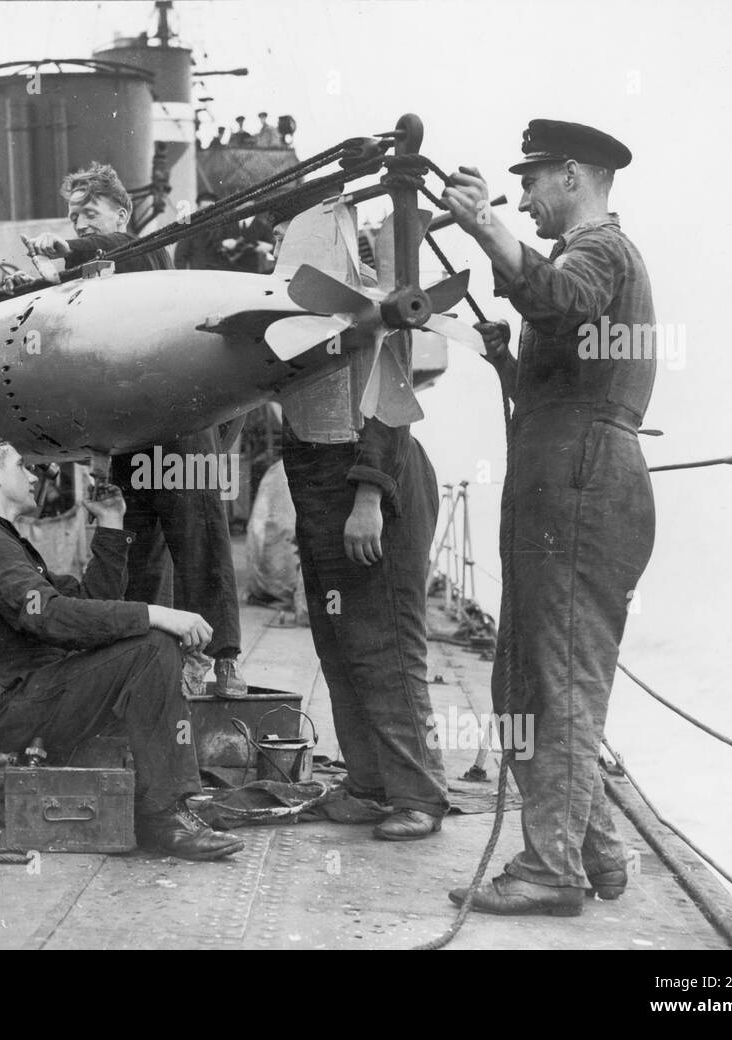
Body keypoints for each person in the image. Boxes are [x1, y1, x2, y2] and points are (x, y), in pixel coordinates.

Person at [441, 119, 656, 916]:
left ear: (573, 175)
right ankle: (595, 853)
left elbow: (562, 300)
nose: (522, 196)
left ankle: (551, 869)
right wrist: (507, 357)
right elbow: (568, 341)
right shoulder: (592, 256)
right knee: (530, 684)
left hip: (580, 487)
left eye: (530, 181)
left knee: (557, 683)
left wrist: (482, 225)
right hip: (565, 483)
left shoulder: (598, 249)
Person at [0, 420, 244, 861]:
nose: (36, 476)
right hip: (8, 706)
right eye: (23, 467)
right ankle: (165, 818)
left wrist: (112, 524)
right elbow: (53, 617)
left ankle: (161, 797)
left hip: (29, 693)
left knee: (148, 642)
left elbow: (86, 601)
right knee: (152, 647)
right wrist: (156, 612)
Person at [24, 163, 247, 696]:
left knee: (201, 545)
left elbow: (115, 246)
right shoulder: (93, 274)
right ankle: (148, 660)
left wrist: (65, 246)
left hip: (182, 428)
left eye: (89, 212)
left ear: (120, 213)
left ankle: (223, 662)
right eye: (73, 214)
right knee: (136, 551)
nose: (79, 222)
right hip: (131, 438)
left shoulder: (144, 251)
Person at [274, 223, 449, 841]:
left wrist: (369, 497)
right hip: (322, 497)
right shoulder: (300, 326)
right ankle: (370, 785)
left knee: (386, 645)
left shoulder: (374, 317)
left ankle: (419, 796)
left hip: (373, 487)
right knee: (340, 642)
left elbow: (389, 408)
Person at [173, 191, 239, 271]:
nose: (207, 212)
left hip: (221, 276)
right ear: (198, 208)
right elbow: (180, 256)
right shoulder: (189, 227)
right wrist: (183, 277)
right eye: (204, 209)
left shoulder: (225, 225)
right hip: (198, 275)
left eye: (211, 209)